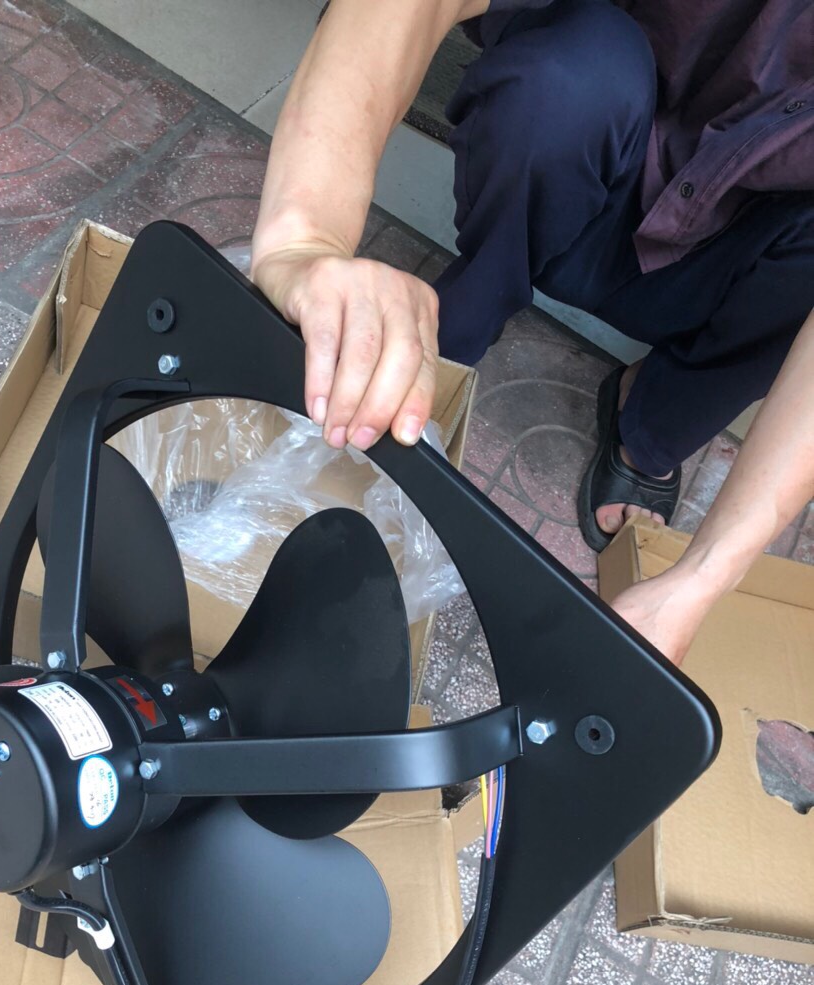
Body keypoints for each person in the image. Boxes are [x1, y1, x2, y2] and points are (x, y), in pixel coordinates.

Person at [250, 0, 814, 663]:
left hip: (736, 253)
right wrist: (305, 236)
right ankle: (458, 325)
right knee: (566, 80)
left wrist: (702, 578)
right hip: (588, 152)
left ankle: (652, 428)